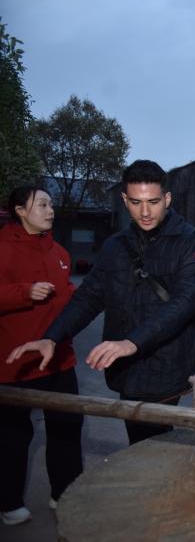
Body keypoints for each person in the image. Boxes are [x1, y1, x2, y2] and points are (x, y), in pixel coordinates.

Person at [7, 160, 195, 445]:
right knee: (140, 440)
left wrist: (131, 342)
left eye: (153, 202)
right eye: (136, 202)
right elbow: (89, 297)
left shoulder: (191, 242)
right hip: (126, 365)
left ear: (167, 198)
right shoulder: (115, 246)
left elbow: (184, 303)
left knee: (151, 442)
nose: (145, 212)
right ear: (125, 200)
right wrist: (52, 337)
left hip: (168, 360)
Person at [0, 186, 83, 525]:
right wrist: (24, 292)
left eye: (51, 204)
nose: (50, 210)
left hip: (61, 359)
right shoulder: (3, 248)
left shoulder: (59, 251)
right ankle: (8, 503)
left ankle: (65, 493)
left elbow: (68, 298)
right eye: (42, 204)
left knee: (67, 428)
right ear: (20, 210)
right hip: (16, 363)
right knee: (13, 436)